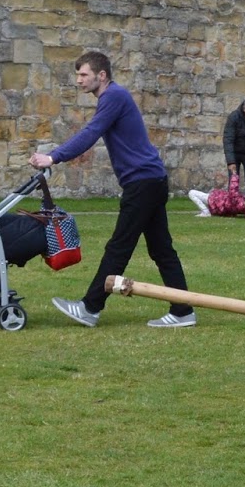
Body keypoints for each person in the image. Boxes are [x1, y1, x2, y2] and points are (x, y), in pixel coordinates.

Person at [27, 50, 196, 328]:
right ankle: (183, 311)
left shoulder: (113, 96)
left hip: (143, 184)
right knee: (162, 250)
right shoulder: (113, 97)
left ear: (101, 75)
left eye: (84, 74)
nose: (79, 80)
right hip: (150, 181)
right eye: (78, 75)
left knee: (119, 247)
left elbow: (90, 133)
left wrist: (53, 157)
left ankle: (90, 308)